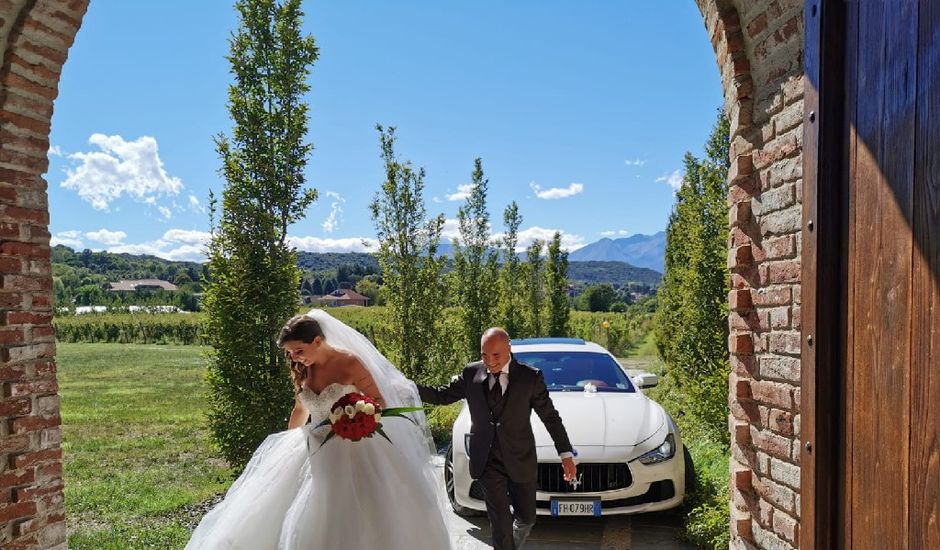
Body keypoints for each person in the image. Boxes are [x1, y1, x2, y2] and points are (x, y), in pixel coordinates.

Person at [185, 309, 452, 550]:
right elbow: (301, 411)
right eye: (289, 354)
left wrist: (359, 415)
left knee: (361, 513)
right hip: (314, 446)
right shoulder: (304, 369)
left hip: (357, 448)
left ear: (317, 341)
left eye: (298, 351)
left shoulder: (350, 362)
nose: (294, 358)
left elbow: (379, 401)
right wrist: (286, 443)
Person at [417, 327, 577, 550]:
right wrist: (407, 388)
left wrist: (566, 455)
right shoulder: (471, 373)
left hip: (520, 458)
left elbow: (550, 417)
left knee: (527, 518)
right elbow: (442, 395)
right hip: (486, 460)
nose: (490, 361)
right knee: (500, 521)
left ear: (509, 349)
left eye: (496, 355)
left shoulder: (530, 377)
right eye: (484, 355)